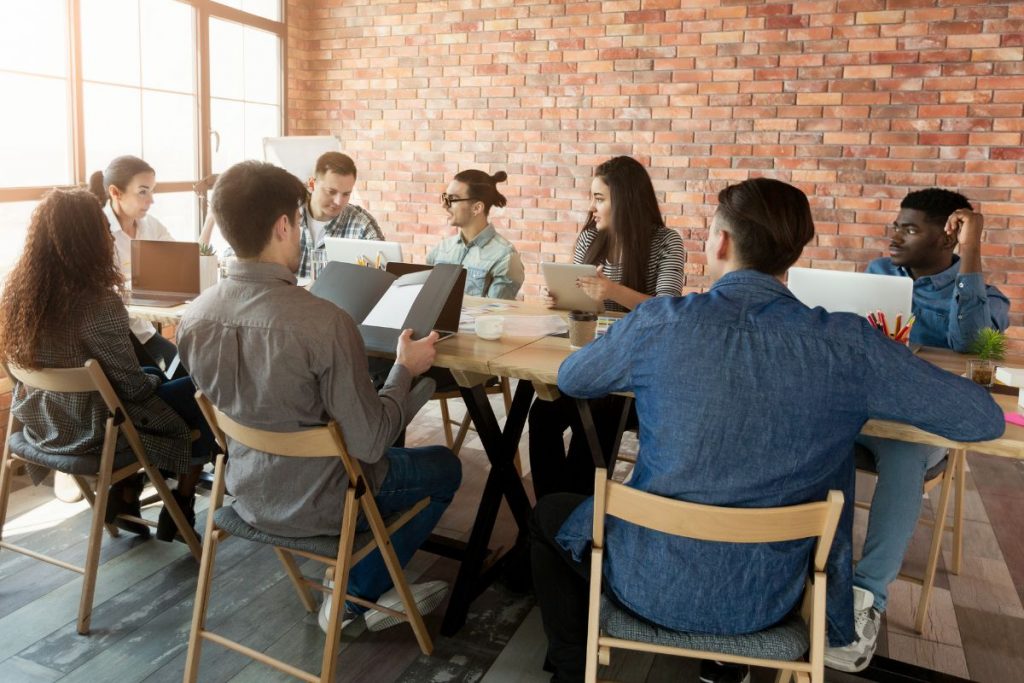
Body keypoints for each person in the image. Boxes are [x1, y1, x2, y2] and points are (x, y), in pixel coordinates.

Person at [529, 177, 1005, 683]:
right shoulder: (849, 344)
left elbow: (573, 378)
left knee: (549, 515)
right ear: (794, 253)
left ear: (722, 243)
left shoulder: (661, 323)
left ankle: (569, 667)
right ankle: (730, 663)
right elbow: (982, 420)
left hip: (644, 581)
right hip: (770, 597)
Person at [176, 160, 461, 634]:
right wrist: (404, 370)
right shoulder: (325, 322)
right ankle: (353, 597)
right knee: (445, 468)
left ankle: (361, 579)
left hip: (245, 492)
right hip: (326, 502)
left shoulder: (195, 317)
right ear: (285, 225)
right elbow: (369, 445)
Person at [826, 189, 1011, 672]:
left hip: (920, 422)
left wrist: (971, 251)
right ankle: (810, 568)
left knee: (906, 455)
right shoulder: (878, 274)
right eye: (896, 224)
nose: (894, 235)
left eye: (909, 228)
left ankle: (866, 599)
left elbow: (973, 345)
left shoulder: (984, 295)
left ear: (946, 237)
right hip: (863, 409)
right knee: (807, 432)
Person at [0, 189, 215, 542]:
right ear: (91, 241)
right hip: (94, 432)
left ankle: (126, 494)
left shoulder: (19, 295)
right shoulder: (98, 304)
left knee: (166, 382)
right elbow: (131, 389)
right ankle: (181, 499)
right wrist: (151, 378)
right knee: (202, 390)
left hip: (42, 422)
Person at [528, 156, 685, 499]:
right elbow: (582, 306)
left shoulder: (666, 242)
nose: (592, 207)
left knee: (597, 417)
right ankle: (550, 517)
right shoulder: (591, 240)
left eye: (599, 198)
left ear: (626, 201)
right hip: (592, 356)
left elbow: (668, 311)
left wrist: (612, 291)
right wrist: (561, 297)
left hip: (634, 366)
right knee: (542, 414)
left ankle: (570, 522)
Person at [88, 155, 179, 373]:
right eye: (142, 191)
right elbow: (100, 292)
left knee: (193, 371)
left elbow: (179, 263)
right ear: (115, 192)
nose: (151, 200)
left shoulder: (150, 226)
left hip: (143, 331)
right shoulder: (95, 231)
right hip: (115, 338)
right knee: (182, 379)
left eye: (152, 191)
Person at [427, 169, 525, 299]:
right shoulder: (441, 249)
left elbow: (494, 314)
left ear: (477, 208)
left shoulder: (506, 257)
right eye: (445, 197)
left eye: (452, 199)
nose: (444, 205)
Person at [295, 151, 385, 279]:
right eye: (331, 192)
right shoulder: (286, 214)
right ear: (312, 184)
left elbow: (383, 276)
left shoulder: (363, 225)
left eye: (346, 194)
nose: (338, 202)